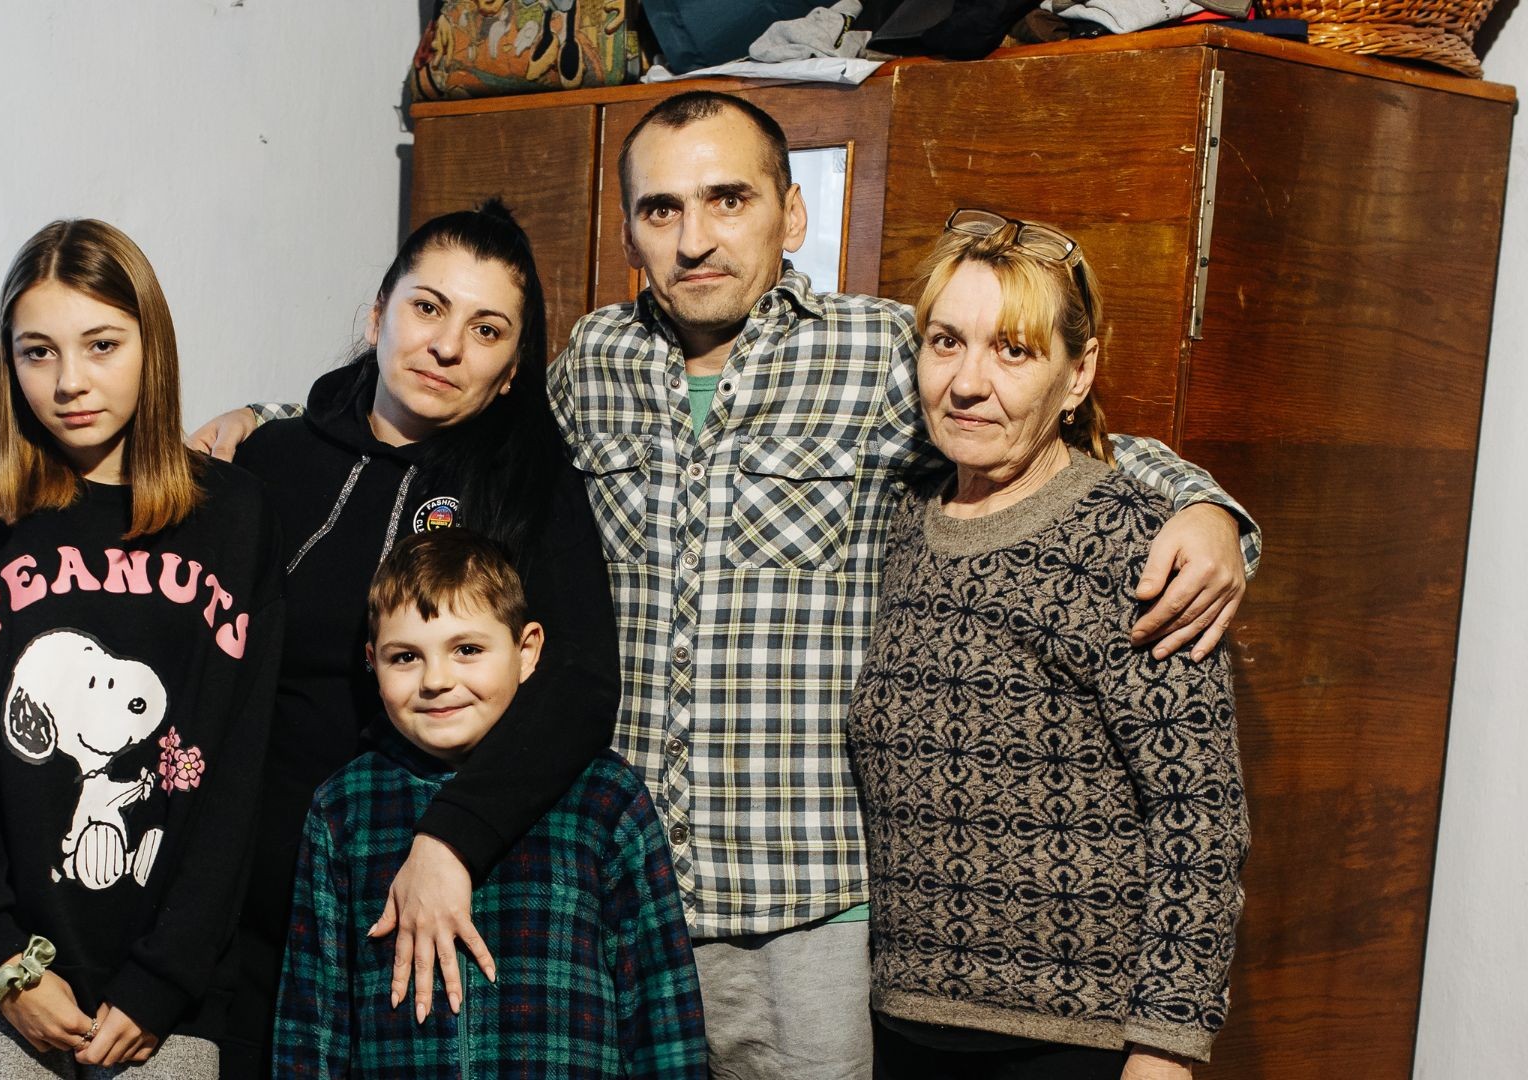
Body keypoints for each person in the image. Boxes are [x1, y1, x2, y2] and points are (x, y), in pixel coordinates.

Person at [195, 92, 1257, 1077]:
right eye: (662, 208)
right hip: (609, 881)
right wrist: (261, 423)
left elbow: (1037, 420)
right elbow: (439, 394)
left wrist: (1208, 509)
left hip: (803, 908)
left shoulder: (883, 353)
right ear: (630, 232)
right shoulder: (592, 364)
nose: (694, 237)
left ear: (792, 213)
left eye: (728, 199)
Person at [0, 219, 284, 1077]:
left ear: (152, 346)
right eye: (37, 352)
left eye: (101, 345)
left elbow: (237, 777)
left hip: (167, 1003)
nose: (69, 382)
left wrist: (164, 977)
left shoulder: (235, 518)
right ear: (9, 363)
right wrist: (3, 963)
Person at [219, 200, 621, 1075]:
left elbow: (582, 684)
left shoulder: (533, 490)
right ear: (378, 316)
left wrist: (450, 840)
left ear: (513, 370)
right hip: (246, 913)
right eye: (427, 307)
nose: (447, 346)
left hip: (418, 902)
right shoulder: (271, 462)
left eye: (486, 330)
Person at [847, 209, 1250, 1079]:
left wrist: (1165, 1050)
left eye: (1015, 350)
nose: (967, 381)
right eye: (946, 341)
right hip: (901, 1025)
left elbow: (1199, 819)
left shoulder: (1136, 544)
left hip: (1076, 1046)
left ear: (1078, 374)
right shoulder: (899, 520)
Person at [273, 530, 706, 1078]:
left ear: (526, 652)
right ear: (371, 662)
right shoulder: (343, 810)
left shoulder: (604, 797)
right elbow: (311, 1021)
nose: (436, 680)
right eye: (405, 656)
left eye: (468, 650)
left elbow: (661, 1005)